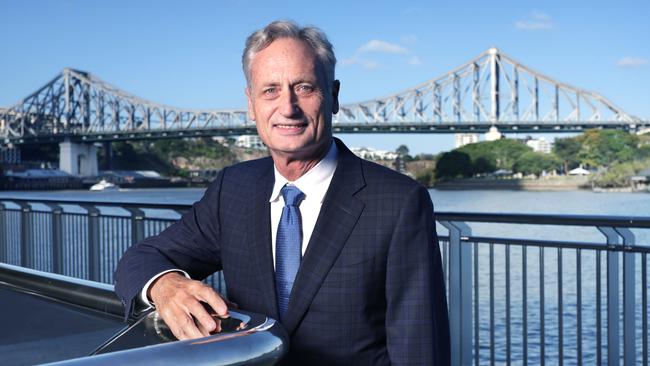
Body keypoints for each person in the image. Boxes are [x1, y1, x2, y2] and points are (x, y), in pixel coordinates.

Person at [115, 20, 450, 365]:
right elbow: (139, 260)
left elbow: (421, 350)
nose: (287, 107)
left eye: (304, 88)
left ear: (333, 96)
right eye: (270, 90)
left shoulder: (398, 201)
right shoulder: (234, 189)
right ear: (251, 104)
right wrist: (166, 286)